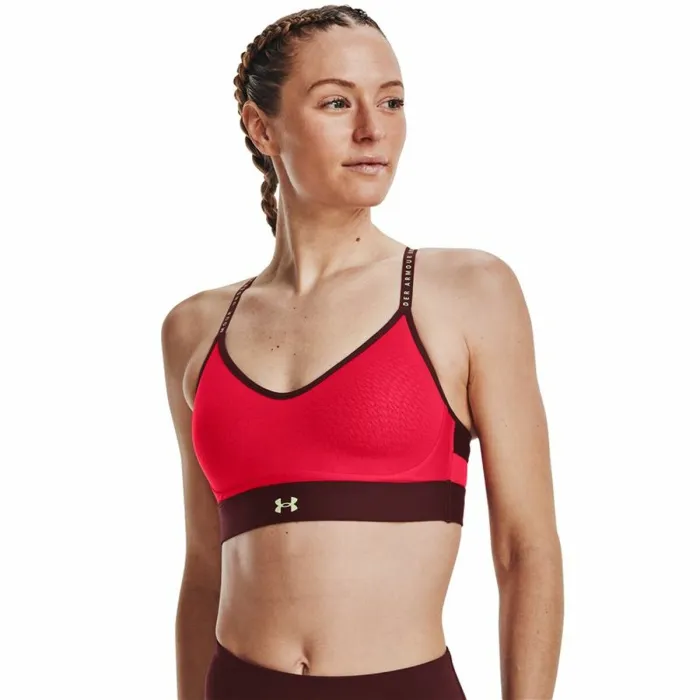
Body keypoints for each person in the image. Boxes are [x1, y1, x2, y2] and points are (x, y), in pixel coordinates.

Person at [161, 5, 564, 699]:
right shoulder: (196, 329)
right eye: (336, 102)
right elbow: (204, 570)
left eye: (392, 101)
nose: (373, 130)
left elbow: (525, 551)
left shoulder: (467, 292)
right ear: (262, 128)